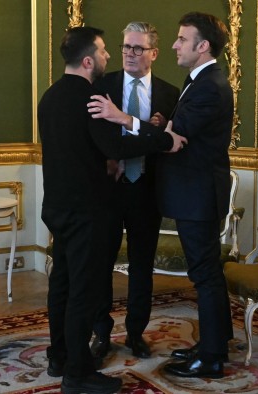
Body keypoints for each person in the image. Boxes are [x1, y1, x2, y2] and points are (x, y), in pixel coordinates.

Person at [38, 26, 186, 394]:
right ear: (88, 60)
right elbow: (115, 149)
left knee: (62, 284)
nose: (110, 56)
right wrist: (164, 138)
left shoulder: (50, 96)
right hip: (87, 210)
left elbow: (75, 149)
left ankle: (58, 355)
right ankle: (78, 373)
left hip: (57, 205)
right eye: (106, 51)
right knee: (83, 292)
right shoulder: (91, 98)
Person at [88, 12, 234, 378]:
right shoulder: (197, 82)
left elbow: (175, 139)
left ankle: (212, 354)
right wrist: (153, 132)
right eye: (125, 47)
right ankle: (212, 346)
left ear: (202, 46)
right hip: (126, 192)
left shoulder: (204, 86)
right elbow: (170, 132)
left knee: (203, 274)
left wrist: (129, 121)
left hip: (178, 193)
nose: (175, 45)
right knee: (205, 274)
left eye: (182, 39)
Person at [90, 21, 180, 364]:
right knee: (102, 264)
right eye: (126, 46)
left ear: (153, 54)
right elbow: (93, 135)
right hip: (109, 189)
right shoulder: (103, 85)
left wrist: (158, 129)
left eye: (138, 48)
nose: (129, 53)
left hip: (147, 190)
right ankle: (101, 333)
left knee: (143, 267)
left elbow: (170, 142)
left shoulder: (169, 94)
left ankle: (136, 333)